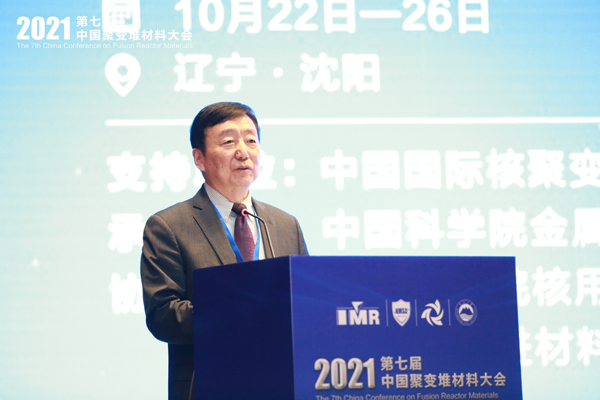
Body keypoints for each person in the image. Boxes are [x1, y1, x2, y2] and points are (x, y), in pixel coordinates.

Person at [140, 102, 309, 400]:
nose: (243, 152)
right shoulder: (169, 225)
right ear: (199, 158)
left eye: (251, 140)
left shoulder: (285, 225)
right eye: (229, 142)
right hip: (208, 386)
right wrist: (240, 312)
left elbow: (307, 304)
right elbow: (162, 315)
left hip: (282, 385)